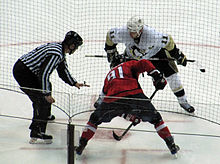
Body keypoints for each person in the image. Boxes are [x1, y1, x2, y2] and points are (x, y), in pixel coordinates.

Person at [75, 57, 180, 156]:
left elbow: (101, 100)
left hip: (112, 100)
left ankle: (81, 145)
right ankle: (171, 145)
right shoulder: (128, 64)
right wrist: (156, 75)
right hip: (134, 95)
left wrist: (102, 110)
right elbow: (144, 62)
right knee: (156, 119)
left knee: (94, 119)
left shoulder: (108, 76)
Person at [104, 16, 195, 113]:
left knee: (172, 75)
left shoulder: (152, 35)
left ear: (140, 30)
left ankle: (183, 101)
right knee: (121, 76)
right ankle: (108, 98)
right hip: (133, 57)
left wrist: (177, 55)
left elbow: (168, 41)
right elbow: (110, 36)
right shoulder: (124, 32)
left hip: (155, 54)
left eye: (134, 31)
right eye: (130, 30)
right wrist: (112, 54)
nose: (131, 33)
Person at [13, 31, 90, 144]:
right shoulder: (56, 54)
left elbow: (62, 70)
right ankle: (37, 130)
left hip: (27, 69)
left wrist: (74, 83)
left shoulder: (60, 50)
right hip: (24, 72)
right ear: (72, 45)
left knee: (46, 89)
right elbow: (44, 74)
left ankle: (45, 115)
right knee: (41, 100)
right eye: (77, 47)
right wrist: (46, 94)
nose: (76, 49)